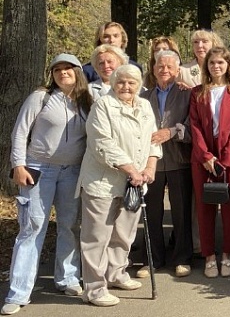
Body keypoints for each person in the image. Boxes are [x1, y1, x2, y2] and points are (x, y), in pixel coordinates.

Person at [1, 55, 92, 316]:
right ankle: (18, 291)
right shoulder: (39, 97)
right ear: (51, 74)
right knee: (32, 227)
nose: (63, 73)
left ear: (77, 72)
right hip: (38, 169)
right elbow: (20, 131)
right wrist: (18, 165)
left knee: (69, 225)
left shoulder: (86, 101)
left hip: (72, 172)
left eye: (68, 69)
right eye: (57, 69)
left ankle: (67, 278)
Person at [78, 65, 161, 307]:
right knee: (96, 236)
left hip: (135, 182)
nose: (126, 87)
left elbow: (153, 139)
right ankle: (93, 289)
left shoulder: (144, 106)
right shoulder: (103, 105)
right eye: (121, 82)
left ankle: (116, 274)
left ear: (139, 85)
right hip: (102, 181)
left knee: (124, 233)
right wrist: (132, 170)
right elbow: (102, 143)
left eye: (132, 83)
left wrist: (150, 168)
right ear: (114, 83)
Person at [189, 47, 230, 278]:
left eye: (221, 62)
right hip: (203, 157)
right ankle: (210, 256)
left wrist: (223, 159)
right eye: (212, 63)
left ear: (228, 65)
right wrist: (205, 156)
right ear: (207, 66)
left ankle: (227, 254)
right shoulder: (197, 92)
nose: (216, 66)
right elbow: (194, 126)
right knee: (205, 209)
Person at [138, 50, 194, 278]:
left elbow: (193, 127)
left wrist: (171, 132)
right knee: (151, 212)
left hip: (178, 158)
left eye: (170, 67)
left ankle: (182, 258)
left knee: (181, 212)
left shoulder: (187, 94)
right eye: (160, 66)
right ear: (153, 69)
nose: (165, 70)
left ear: (178, 70)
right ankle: (152, 259)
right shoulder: (144, 97)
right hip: (150, 161)